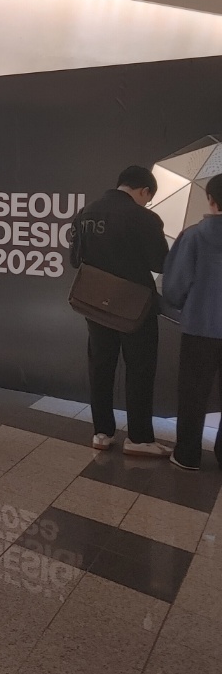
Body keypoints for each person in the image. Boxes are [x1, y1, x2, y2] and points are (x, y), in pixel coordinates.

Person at [71, 165, 171, 456]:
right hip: (135, 307)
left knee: (101, 366)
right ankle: (139, 438)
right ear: (144, 191)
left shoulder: (85, 213)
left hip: (95, 303)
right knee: (139, 370)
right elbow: (160, 263)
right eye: (148, 198)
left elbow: (74, 259)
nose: (146, 202)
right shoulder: (145, 218)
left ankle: (102, 432)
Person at [161, 174, 222, 471]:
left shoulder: (194, 236)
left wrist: (182, 304)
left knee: (193, 394)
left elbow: (175, 286)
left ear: (210, 199)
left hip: (200, 326)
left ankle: (187, 455)